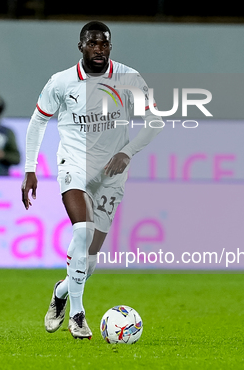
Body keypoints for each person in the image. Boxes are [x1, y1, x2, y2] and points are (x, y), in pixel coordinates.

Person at [21, 21, 163, 339]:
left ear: (110, 47)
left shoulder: (128, 78)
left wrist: (127, 152)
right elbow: (37, 122)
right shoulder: (61, 82)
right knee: (82, 231)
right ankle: (77, 314)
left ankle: (60, 293)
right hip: (74, 165)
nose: (98, 49)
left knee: (91, 257)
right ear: (81, 46)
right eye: (92, 43)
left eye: (104, 44)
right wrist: (29, 168)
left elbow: (155, 121)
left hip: (112, 174)